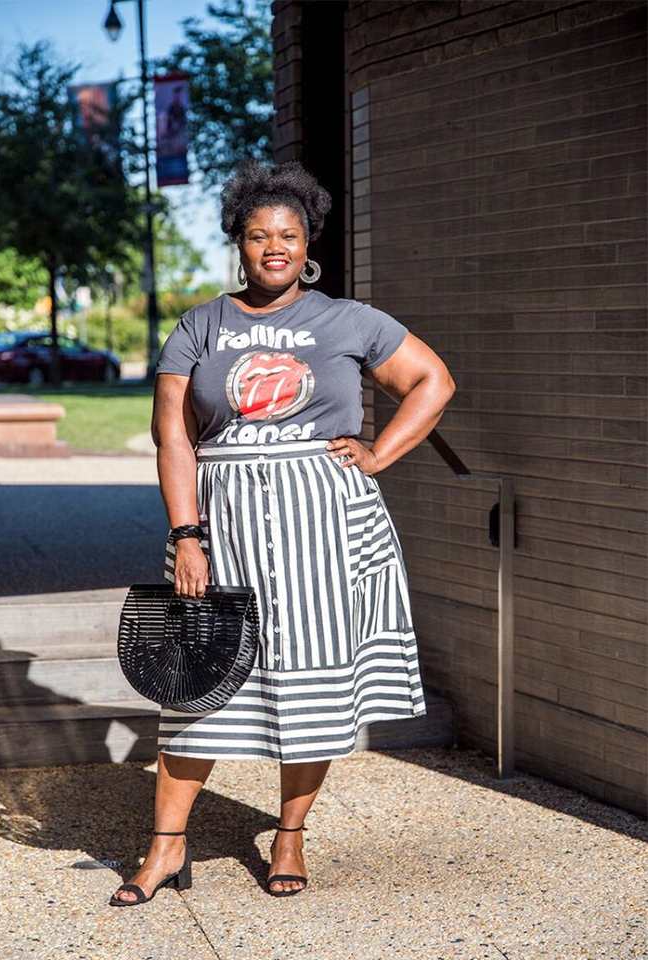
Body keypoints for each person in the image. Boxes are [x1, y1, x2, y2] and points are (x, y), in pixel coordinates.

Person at [109, 158, 456, 906]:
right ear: (239, 242)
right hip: (224, 519)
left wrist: (379, 452)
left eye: (288, 235)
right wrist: (187, 535)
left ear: (308, 244)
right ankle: (166, 848)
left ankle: (290, 836)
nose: (274, 247)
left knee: (311, 688)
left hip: (323, 525)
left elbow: (434, 381)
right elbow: (173, 436)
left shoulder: (347, 320)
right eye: (259, 234)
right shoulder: (201, 324)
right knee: (195, 684)